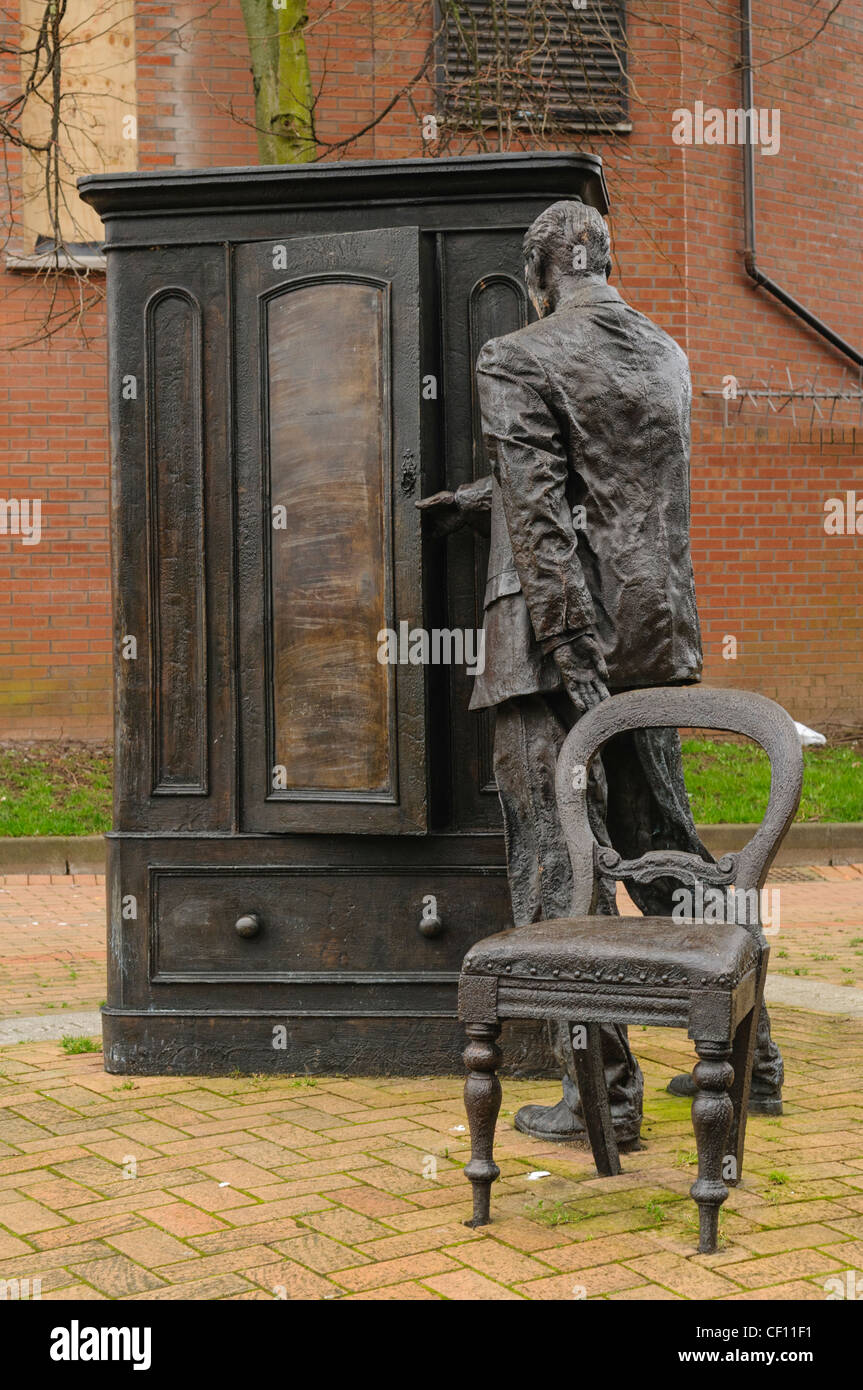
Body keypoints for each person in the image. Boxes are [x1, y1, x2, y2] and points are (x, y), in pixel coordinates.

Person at [419, 199, 783, 1142]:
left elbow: (545, 526)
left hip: (552, 650)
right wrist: (477, 496)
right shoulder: (664, 352)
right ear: (600, 262)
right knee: (665, 838)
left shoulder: (516, 354)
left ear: (538, 275)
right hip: (651, 633)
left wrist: (573, 655)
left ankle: (600, 1096)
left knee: (552, 859)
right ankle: (755, 1052)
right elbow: (611, 480)